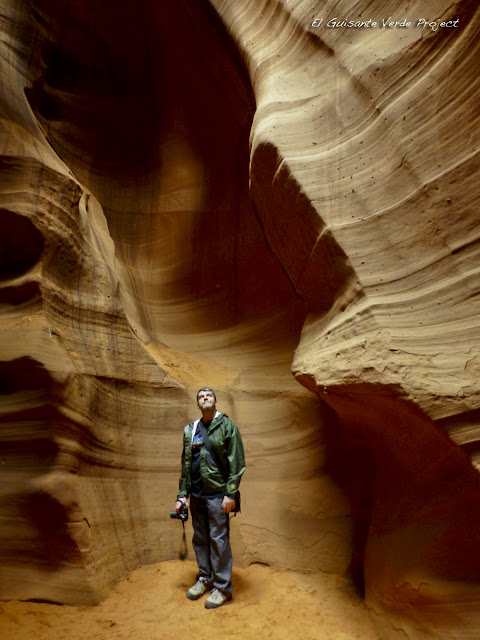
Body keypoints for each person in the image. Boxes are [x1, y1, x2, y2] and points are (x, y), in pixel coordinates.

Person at [175, 388, 245, 609]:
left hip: (217, 495)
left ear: (216, 401)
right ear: (197, 404)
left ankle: (223, 587)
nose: (204, 398)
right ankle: (205, 577)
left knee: (219, 540)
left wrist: (230, 493)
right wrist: (182, 495)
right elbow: (185, 465)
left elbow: (237, 463)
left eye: (208, 395)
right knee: (201, 538)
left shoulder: (227, 426)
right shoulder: (191, 429)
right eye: (200, 397)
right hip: (196, 495)